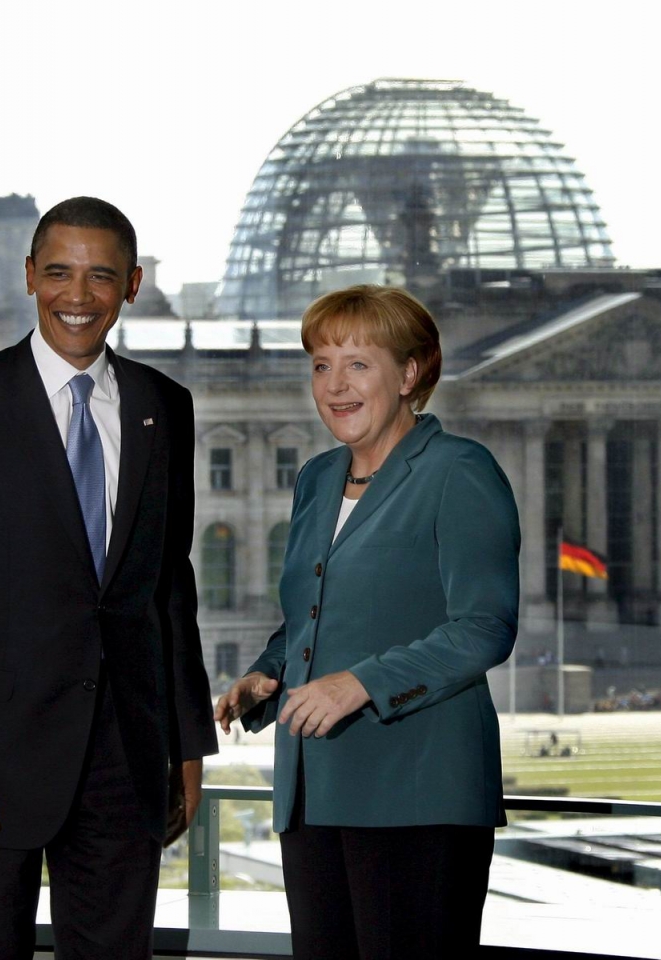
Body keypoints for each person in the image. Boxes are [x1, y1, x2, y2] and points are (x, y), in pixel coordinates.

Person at [0, 197, 217, 960]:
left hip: (127, 757)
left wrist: (186, 745)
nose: (78, 295)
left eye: (100, 275)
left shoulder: (164, 406)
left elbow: (169, 589)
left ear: (131, 285)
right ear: (30, 276)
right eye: (60, 272)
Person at [215, 285, 520, 959]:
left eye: (358, 364)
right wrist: (267, 675)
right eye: (321, 365)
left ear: (409, 374)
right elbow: (312, 614)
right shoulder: (317, 478)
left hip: (417, 788)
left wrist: (359, 682)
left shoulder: (459, 470)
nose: (335, 385)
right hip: (311, 789)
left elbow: (485, 627)